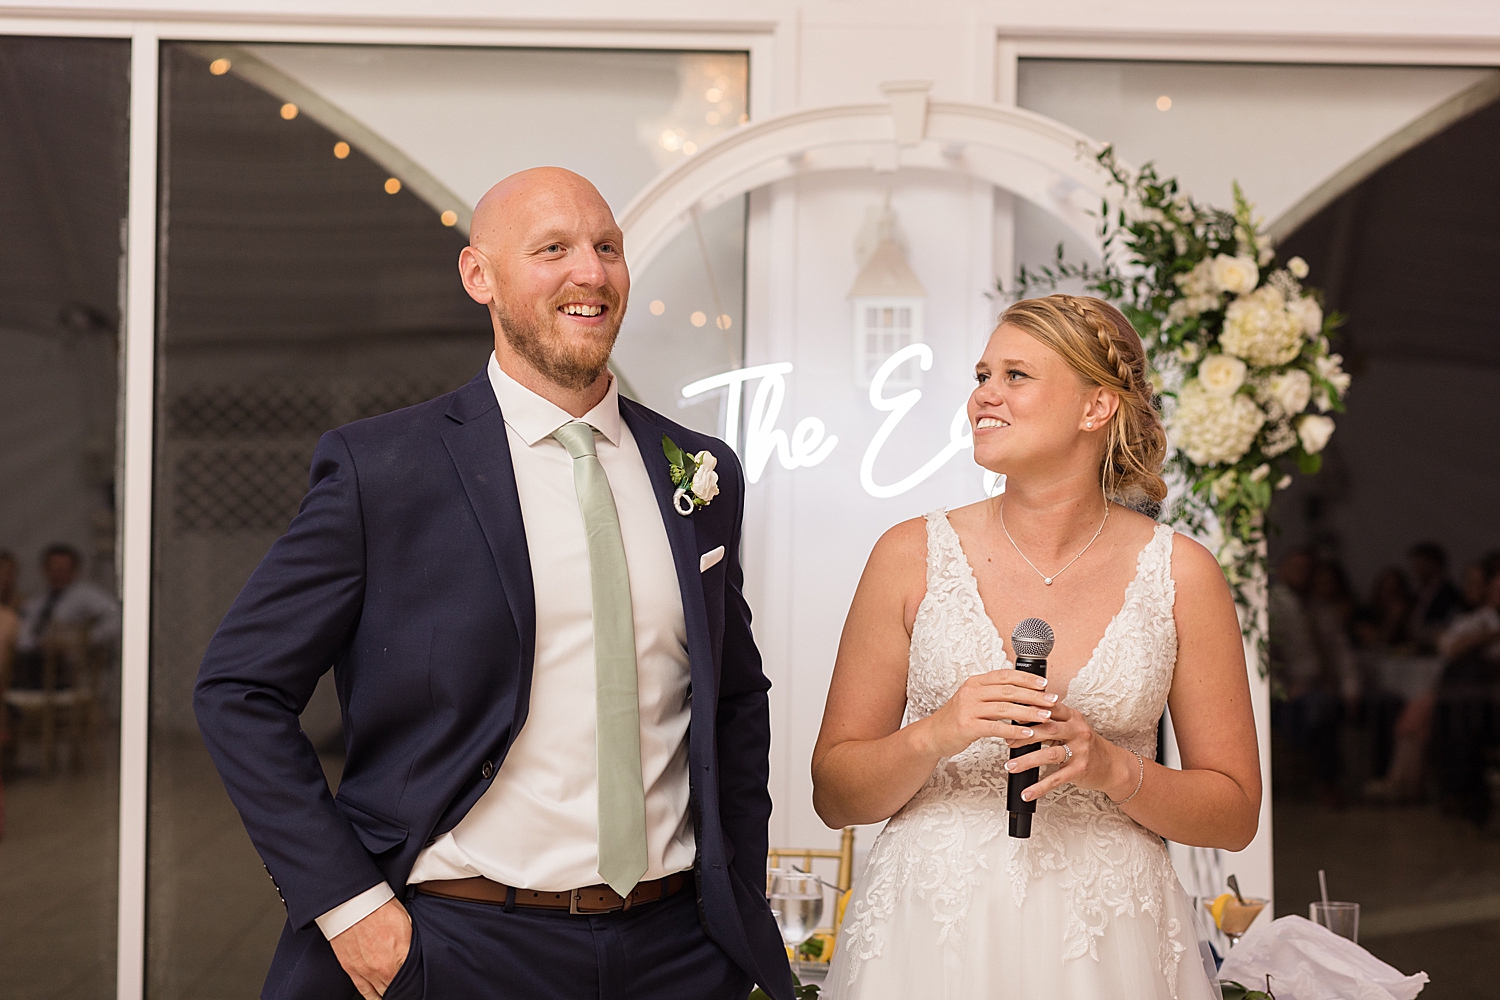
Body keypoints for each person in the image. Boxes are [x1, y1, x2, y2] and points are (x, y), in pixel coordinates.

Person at [194, 168, 793, 1000]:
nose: (591, 272)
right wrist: (348, 905)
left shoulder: (698, 471)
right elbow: (238, 688)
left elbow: (733, 699)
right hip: (460, 949)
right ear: (480, 276)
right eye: (553, 249)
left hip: (677, 953)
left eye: (607, 248)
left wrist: (734, 900)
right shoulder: (383, 469)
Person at [813, 295, 1259, 999]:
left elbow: (1234, 814)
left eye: (1015, 376)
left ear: (1096, 408)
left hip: (1109, 943)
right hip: (930, 936)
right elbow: (835, 795)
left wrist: (1112, 767)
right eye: (982, 374)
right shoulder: (909, 555)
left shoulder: (1182, 574)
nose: (983, 397)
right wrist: (938, 733)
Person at [11, 543, 120, 689]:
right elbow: (24, 637)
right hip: (38, 663)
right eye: (54, 569)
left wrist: (83, 639)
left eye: (63, 569)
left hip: (72, 669)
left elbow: (115, 618)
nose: (58, 574)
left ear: (74, 570)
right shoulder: (38, 603)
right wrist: (39, 643)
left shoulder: (86, 595)